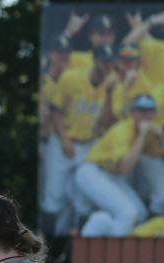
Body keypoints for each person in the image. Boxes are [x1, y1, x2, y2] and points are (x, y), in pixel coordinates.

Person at [77, 93, 164, 236]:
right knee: (128, 213)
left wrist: (162, 140)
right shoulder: (123, 130)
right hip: (91, 173)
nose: (146, 115)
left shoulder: (149, 131)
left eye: (150, 111)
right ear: (132, 112)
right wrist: (141, 135)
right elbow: (124, 167)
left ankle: (107, 233)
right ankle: (100, 228)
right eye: (141, 111)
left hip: (109, 175)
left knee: (141, 214)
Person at [43, 42, 114, 235]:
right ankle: (48, 252)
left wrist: (109, 94)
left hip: (88, 145)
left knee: (83, 201)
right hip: (62, 141)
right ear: (95, 60)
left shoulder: (111, 84)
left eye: (110, 62)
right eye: (103, 60)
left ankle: (79, 253)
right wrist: (65, 139)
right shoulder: (72, 77)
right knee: (53, 197)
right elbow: (55, 111)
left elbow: (107, 122)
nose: (106, 65)